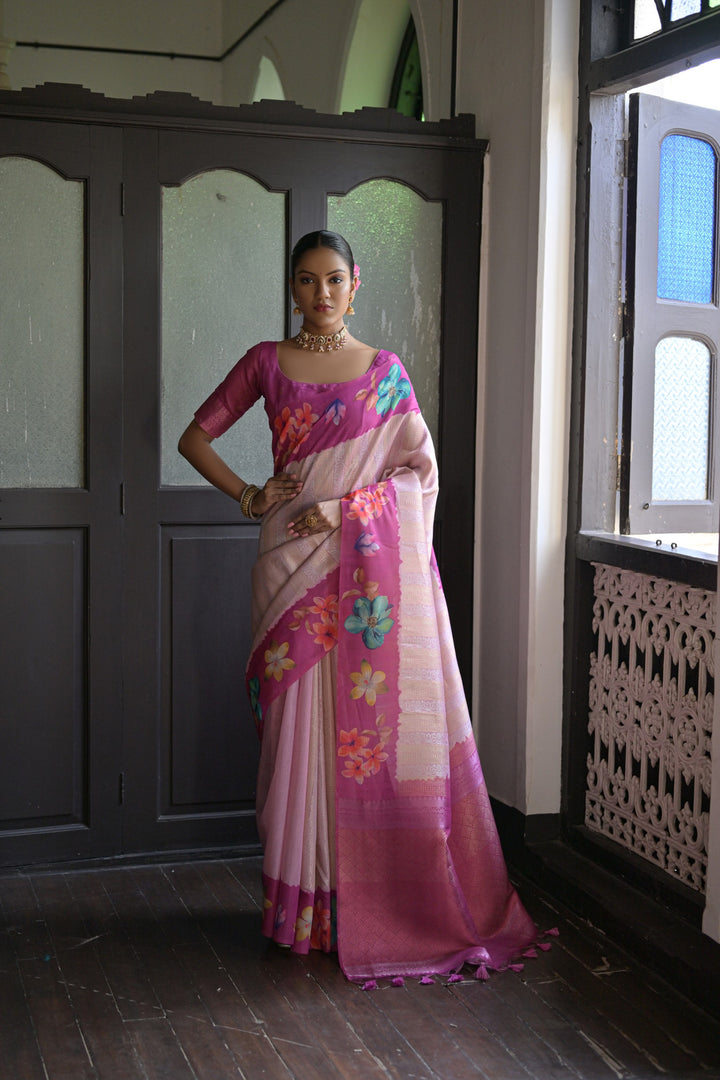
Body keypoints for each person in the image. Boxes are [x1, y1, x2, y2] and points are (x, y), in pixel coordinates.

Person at [178, 230, 541, 986]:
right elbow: (194, 436)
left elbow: (419, 476)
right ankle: (296, 911)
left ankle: (357, 907)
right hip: (286, 566)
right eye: (306, 282)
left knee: (355, 734)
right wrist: (248, 494)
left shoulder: (384, 374)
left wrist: (345, 513)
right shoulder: (263, 362)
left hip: (356, 572)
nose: (320, 295)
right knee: (292, 740)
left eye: (334, 280)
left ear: (355, 285)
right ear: (291, 287)